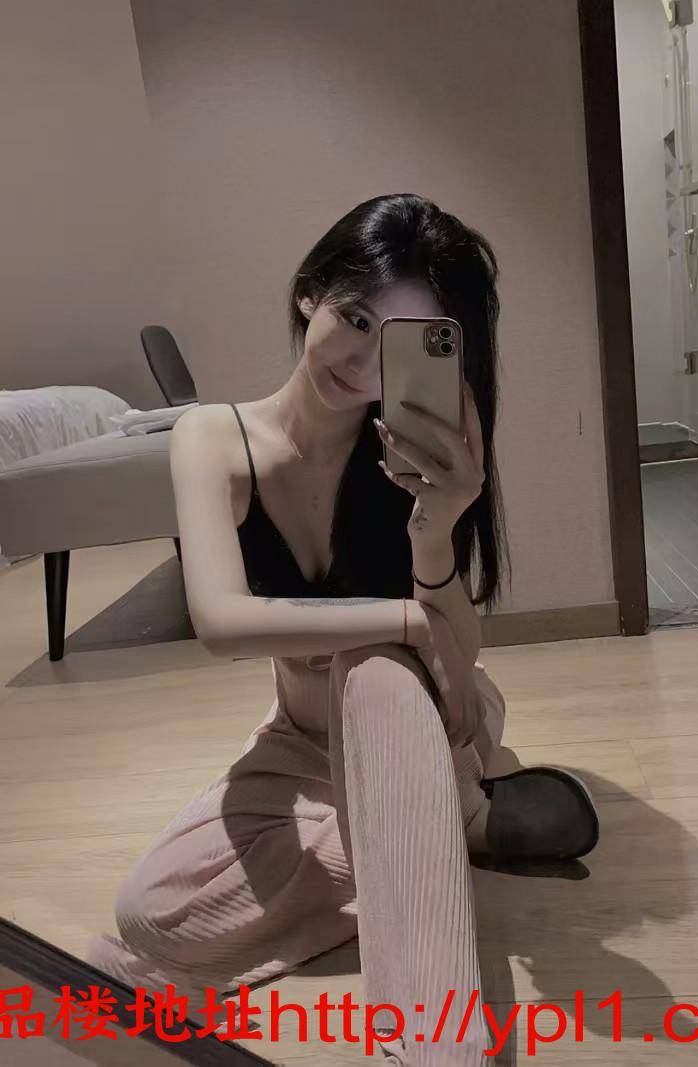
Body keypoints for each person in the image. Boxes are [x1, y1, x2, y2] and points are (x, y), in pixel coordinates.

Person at [86, 193, 598, 1064]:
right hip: (298, 739)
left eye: (393, 345)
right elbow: (221, 620)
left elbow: (453, 663)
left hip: (418, 719)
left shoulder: (411, 456)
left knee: (377, 668)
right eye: (355, 318)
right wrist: (405, 615)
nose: (360, 364)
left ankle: (436, 1043)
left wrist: (438, 525)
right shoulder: (213, 439)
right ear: (310, 292)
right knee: (149, 916)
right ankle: (453, 823)